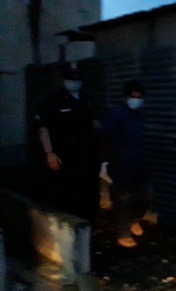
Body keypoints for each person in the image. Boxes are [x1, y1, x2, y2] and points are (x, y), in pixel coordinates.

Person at [35, 65, 100, 221]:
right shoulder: (52, 100)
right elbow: (43, 128)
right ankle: (66, 224)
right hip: (63, 156)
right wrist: (49, 153)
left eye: (77, 79)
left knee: (88, 192)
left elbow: (94, 123)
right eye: (70, 79)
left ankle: (87, 224)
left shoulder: (87, 98)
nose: (74, 82)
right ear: (64, 81)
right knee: (65, 193)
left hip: (86, 155)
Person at [100, 80, 152, 248]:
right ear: (126, 97)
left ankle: (133, 220)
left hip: (139, 163)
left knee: (146, 195)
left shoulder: (139, 115)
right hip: (121, 164)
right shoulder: (117, 114)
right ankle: (123, 234)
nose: (136, 100)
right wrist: (108, 161)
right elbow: (105, 137)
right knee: (123, 199)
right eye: (133, 97)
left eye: (139, 97)